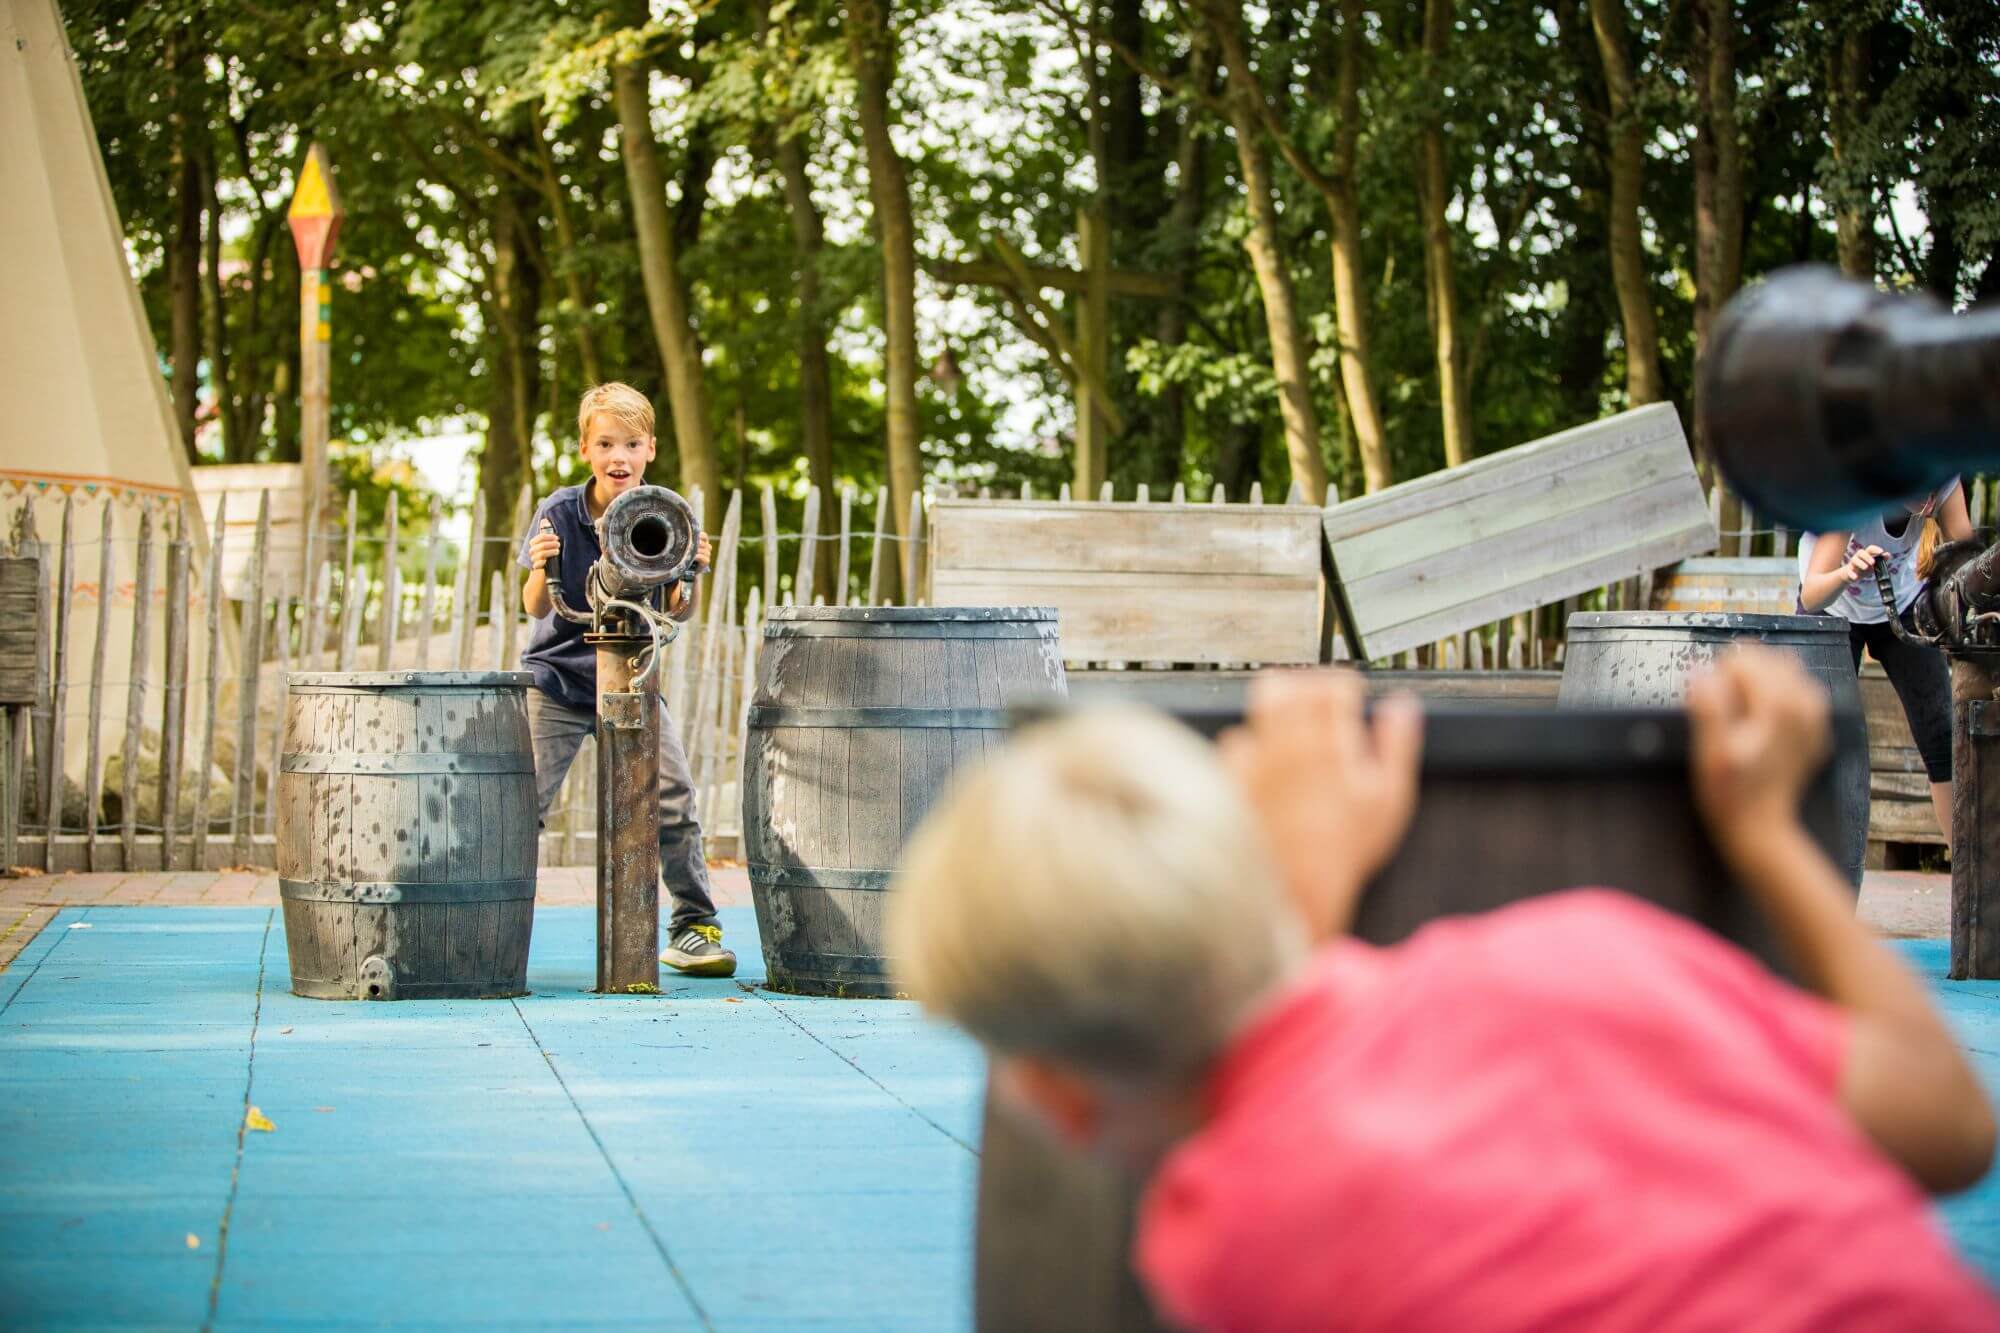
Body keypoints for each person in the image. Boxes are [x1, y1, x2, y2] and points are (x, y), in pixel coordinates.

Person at [888, 653, 1999, 1332]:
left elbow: (1294, 1138)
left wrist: (1295, 894)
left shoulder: (1215, 1242)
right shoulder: (1591, 953)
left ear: (1055, 1100)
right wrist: (1763, 835)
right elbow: (1948, 1128)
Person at [520, 382, 733, 977]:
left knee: (674, 800)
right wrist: (542, 566)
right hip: (560, 680)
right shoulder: (557, 511)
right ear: (586, 448)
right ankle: (496, 917)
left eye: (632, 444)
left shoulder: (664, 512)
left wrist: (690, 573)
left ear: (650, 449)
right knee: (521, 803)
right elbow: (536, 606)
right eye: (607, 443)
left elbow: (677, 609)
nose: (620, 456)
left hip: (634, 675)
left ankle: (694, 925)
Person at [1799, 479, 1974, 838]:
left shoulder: (1942, 483)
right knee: (1816, 741)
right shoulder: (1855, 491)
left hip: (1900, 601)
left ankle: (1967, 878)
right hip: (1833, 606)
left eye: (1934, 490)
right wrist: (1847, 573)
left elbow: (1969, 565)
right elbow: (1813, 593)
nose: (1929, 500)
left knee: (1942, 736)